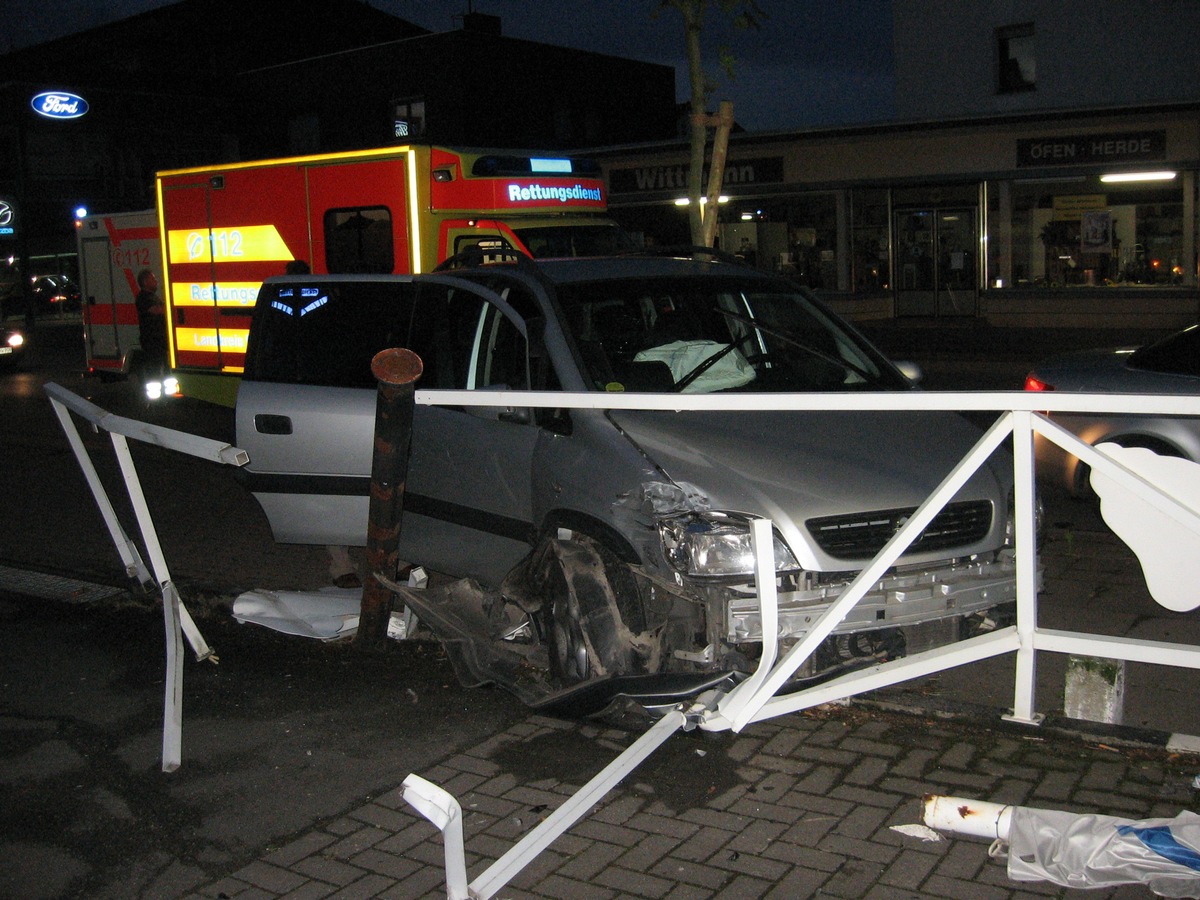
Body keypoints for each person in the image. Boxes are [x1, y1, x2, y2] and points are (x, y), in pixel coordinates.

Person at [134, 269, 168, 377]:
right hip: (151, 342)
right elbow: (157, 310)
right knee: (155, 371)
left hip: (160, 341)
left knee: (164, 368)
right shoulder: (143, 298)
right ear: (145, 282)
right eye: (152, 279)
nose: (156, 281)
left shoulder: (153, 296)